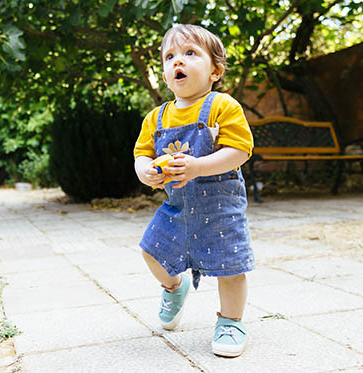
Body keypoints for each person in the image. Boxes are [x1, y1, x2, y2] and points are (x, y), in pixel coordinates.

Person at [134, 24, 254, 358]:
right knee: (150, 251)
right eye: (169, 56)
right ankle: (174, 287)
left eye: (190, 53)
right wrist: (146, 172)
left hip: (220, 209)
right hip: (175, 207)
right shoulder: (156, 118)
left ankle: (231, 321)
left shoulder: (223, 107)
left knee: (231, 268)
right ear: (164, 74)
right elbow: (141, 154)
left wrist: (198, 166)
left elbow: (240, 150)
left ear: (215, 70)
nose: (178, 62)